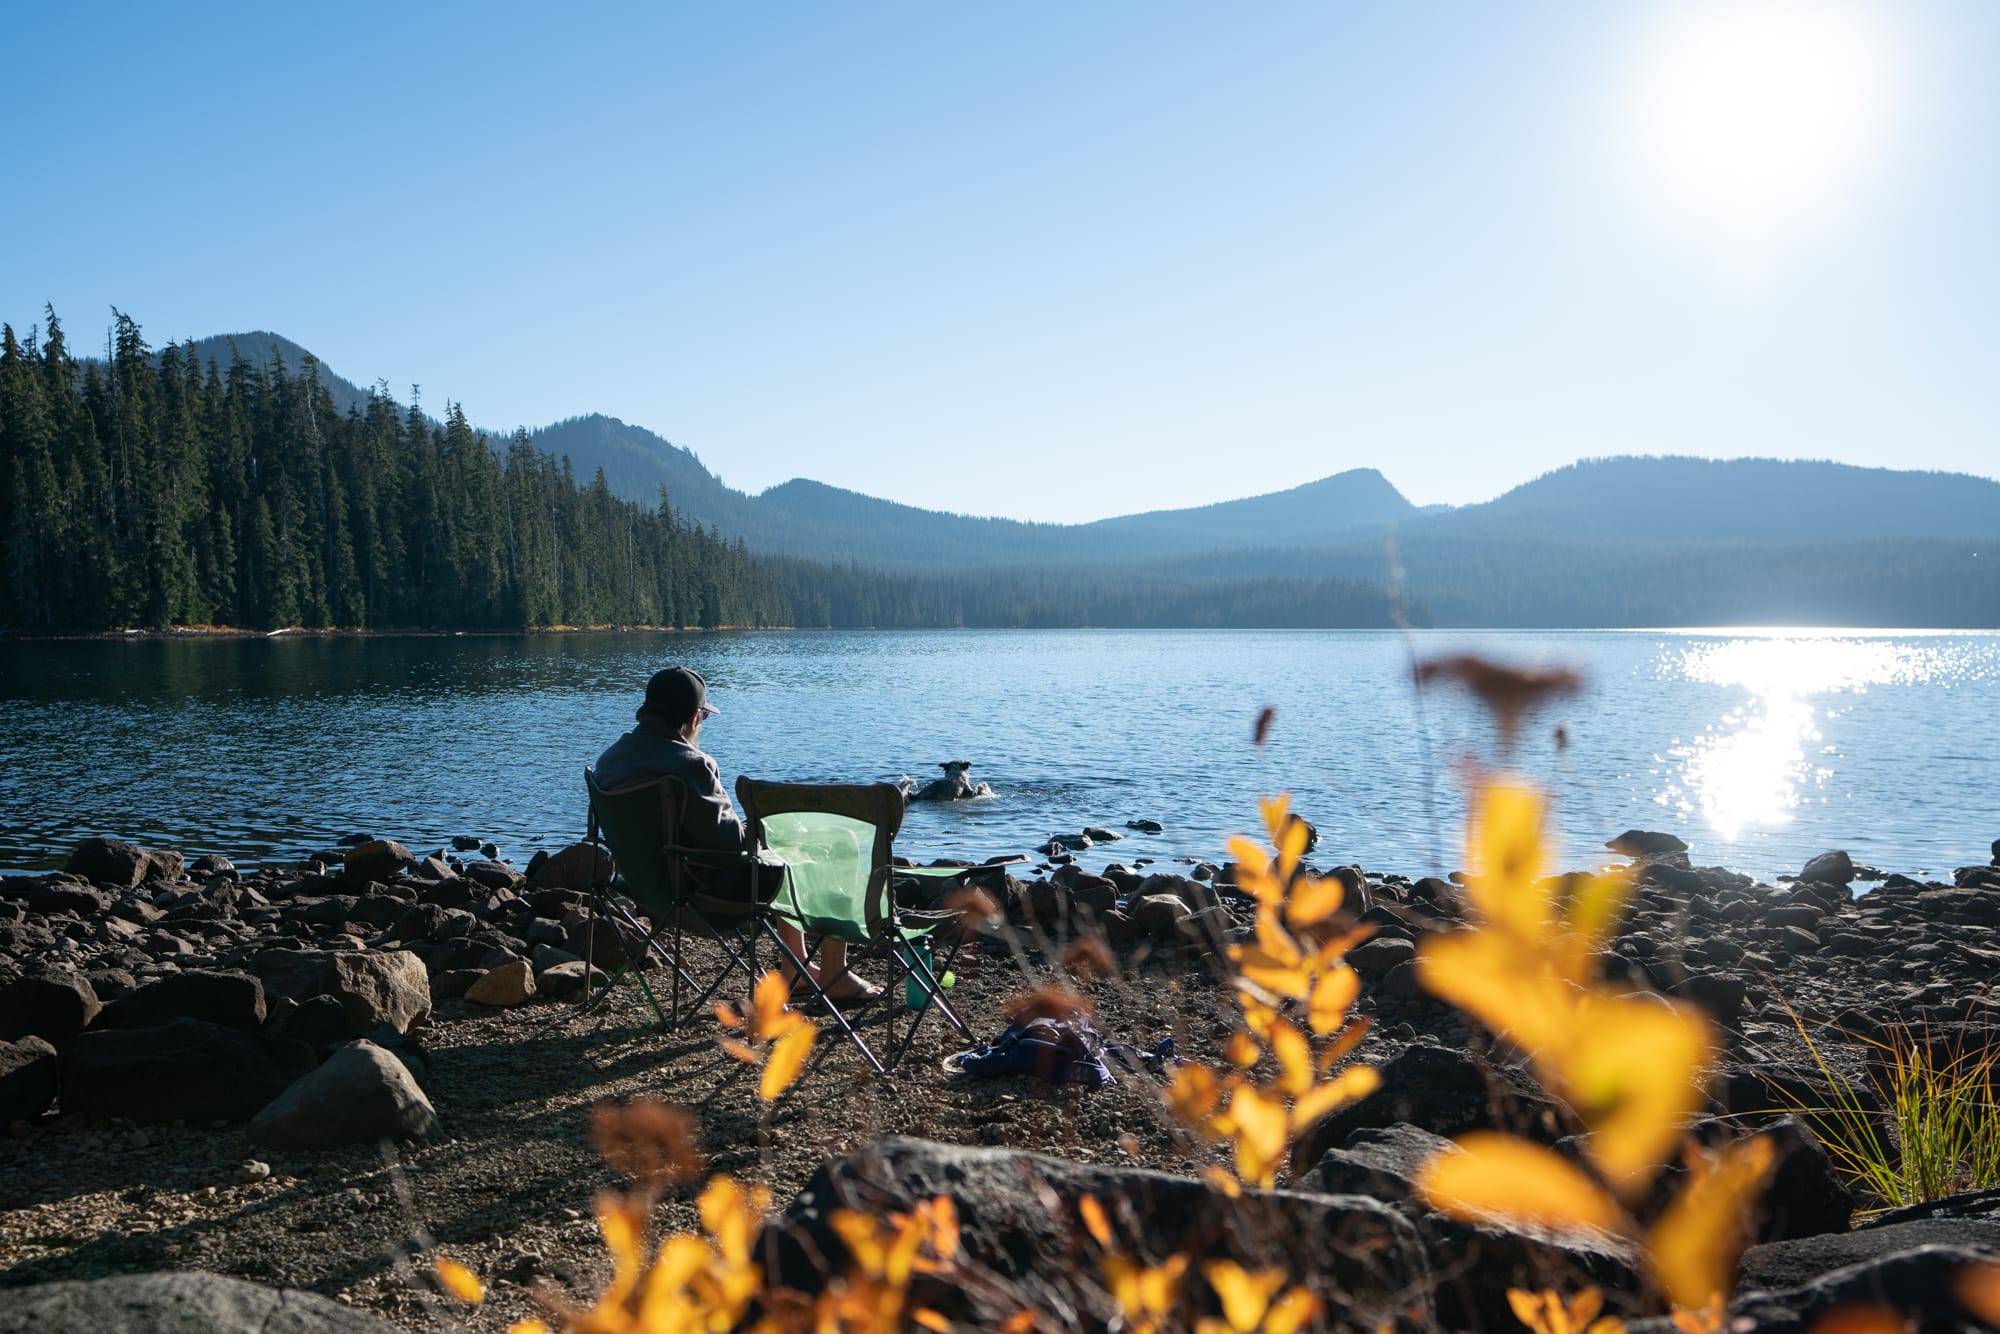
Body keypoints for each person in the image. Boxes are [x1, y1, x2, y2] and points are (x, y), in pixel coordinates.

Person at [594, 666, 881, 1003]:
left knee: (780, 855)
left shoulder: (608, 761)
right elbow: (732, 846)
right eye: (703, 716)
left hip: (647, 891)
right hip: (704, 898)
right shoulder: (691, 764)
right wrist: (767, 829)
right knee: (832, 845)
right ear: (692, 718)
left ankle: (795, 969)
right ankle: (834, 972)